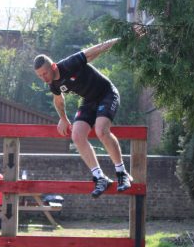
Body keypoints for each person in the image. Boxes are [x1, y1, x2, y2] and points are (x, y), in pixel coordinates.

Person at [34, 38, 133, 198]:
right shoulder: (52, 83)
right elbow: (58, 100)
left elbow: (98, 48)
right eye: (39, 76)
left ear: (53, 66)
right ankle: (100, 178)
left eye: (45, 73)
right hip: (89, 101)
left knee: (101, 130)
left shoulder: (69, 64)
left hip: (107, 94)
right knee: (77, 136)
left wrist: (125, 37)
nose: (44, 78)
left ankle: (122, 174)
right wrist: (63, 118)